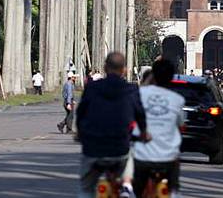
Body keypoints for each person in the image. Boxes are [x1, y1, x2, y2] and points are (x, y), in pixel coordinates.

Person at [76, 52, 149, 198]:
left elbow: (81, 113)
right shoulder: (132, 90)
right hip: (119, 149)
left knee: (86, 189)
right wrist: (144, 133)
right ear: (124, 70)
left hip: (93, 149)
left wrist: (80, 133)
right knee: (128, 156)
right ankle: (126, 187)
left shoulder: (92, 88)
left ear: (105, 68)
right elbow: (140, 115)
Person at [132, 59, 185, 198]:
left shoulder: (140, 94)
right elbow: (181, 125)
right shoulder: (177, 99)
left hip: (141, 157)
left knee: (134, 192)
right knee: (173, 190)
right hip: (168, 159)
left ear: (153, 74)